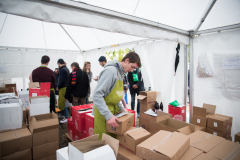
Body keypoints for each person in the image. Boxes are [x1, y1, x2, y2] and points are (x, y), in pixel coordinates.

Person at [93, 52, 142, 139]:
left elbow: (114, 96)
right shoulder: (110, 71)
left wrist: (122, 110)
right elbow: (97, 95)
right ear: (127, 60)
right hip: (103, 113)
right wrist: (108, 116)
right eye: (132, 67)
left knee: (112, 141)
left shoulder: (121, 73)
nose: (132, 70)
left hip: (113, 112)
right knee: (103, 141)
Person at [56, 59, 70, 123]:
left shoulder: (62, 70)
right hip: (66, 87)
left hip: (63, 88)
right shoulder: (66, 69)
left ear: (59, 63)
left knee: (62, 102)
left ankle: (66, 117)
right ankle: (62, 114)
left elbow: (63, 80)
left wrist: (58, 86)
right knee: (61, 102)